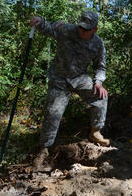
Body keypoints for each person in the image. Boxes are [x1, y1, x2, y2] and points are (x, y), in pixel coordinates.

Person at [30, 11, 110, 171]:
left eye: (87, 29)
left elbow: (100, 66)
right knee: (53, 113)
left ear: (95, 29)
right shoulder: (66, 29)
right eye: (81, 27)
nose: (82, 31)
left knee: (100, 98)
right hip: (59, 78)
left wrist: (99, 82)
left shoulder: (98, 44)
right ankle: (44, 149)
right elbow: (49, 29)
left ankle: (95, 131)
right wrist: (40, 21)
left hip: (80, 78)